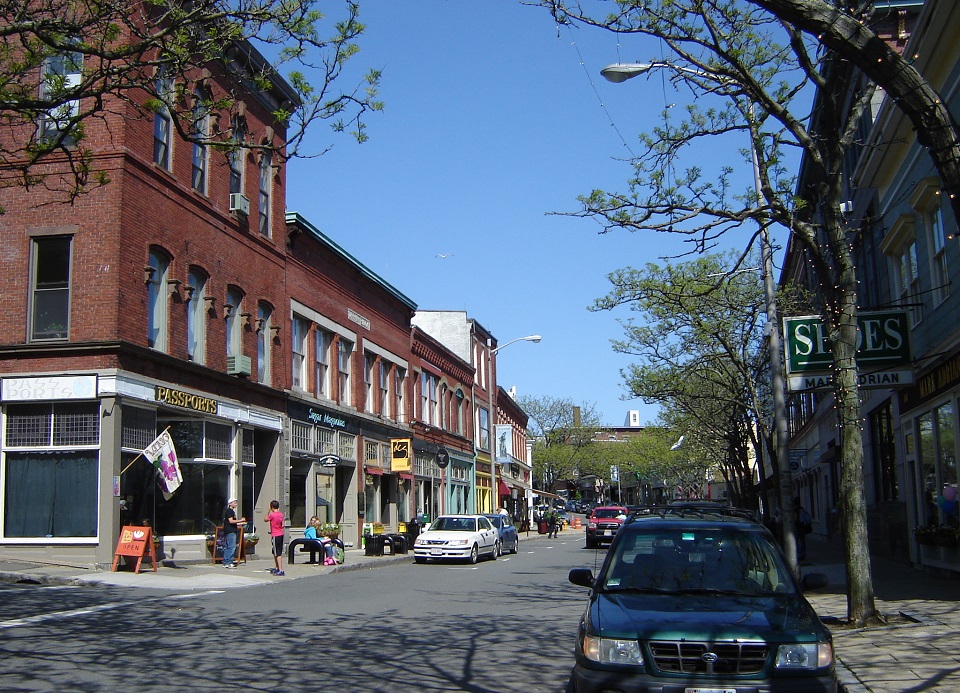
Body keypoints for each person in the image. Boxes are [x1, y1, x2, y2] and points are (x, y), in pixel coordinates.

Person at [221, 498, 246, 569]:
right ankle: (229, 562)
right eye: (234, 503)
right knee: (232, 546)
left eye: (236, 502)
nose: (236, 504)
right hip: (230, 531)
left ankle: (225, 562)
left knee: (228, 546)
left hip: (230, 530)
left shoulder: (230, 511)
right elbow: (231, 521)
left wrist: (240, 523)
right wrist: (240, 520)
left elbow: (231, 522)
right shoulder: (229, 511)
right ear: (230, 503)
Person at [264, 500, 285, 576]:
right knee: (275, 552)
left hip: (275, 535)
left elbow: (265, 519)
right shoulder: (281, 515)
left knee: (277, 553)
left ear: (272, 507)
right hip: (280, 534)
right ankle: (277, 567)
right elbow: (283, 525)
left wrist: (268, 511)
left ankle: (281, 569)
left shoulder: (272, 515)